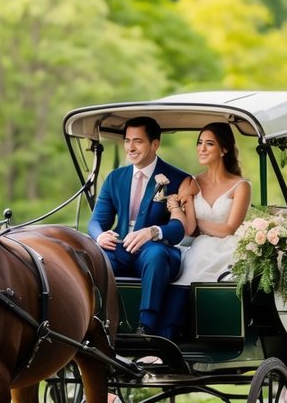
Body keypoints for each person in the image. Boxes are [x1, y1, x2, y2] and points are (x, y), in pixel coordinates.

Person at [88, 117, 190, 335]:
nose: (130, 148)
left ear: (155, 144)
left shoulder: (177, 178)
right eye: (127, 141)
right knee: (92, 258)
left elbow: (180, 228)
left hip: (157, 250)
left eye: (138, 141)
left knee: (155, 256)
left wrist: (152, 232)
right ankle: (94, 323)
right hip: (121, 248)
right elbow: (97, 221)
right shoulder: (115, 178)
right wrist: (99, 237)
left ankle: (146, 327)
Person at [171, 123, 252, 285]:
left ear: (224, 150)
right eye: (199, 143)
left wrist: (197, 224)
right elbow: (189, 229)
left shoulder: (241, 186)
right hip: (197, 248)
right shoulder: (190, 182)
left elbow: (229, 229)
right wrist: (176, 205)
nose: (202, 148)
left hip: (228, 248)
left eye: (209, 144)